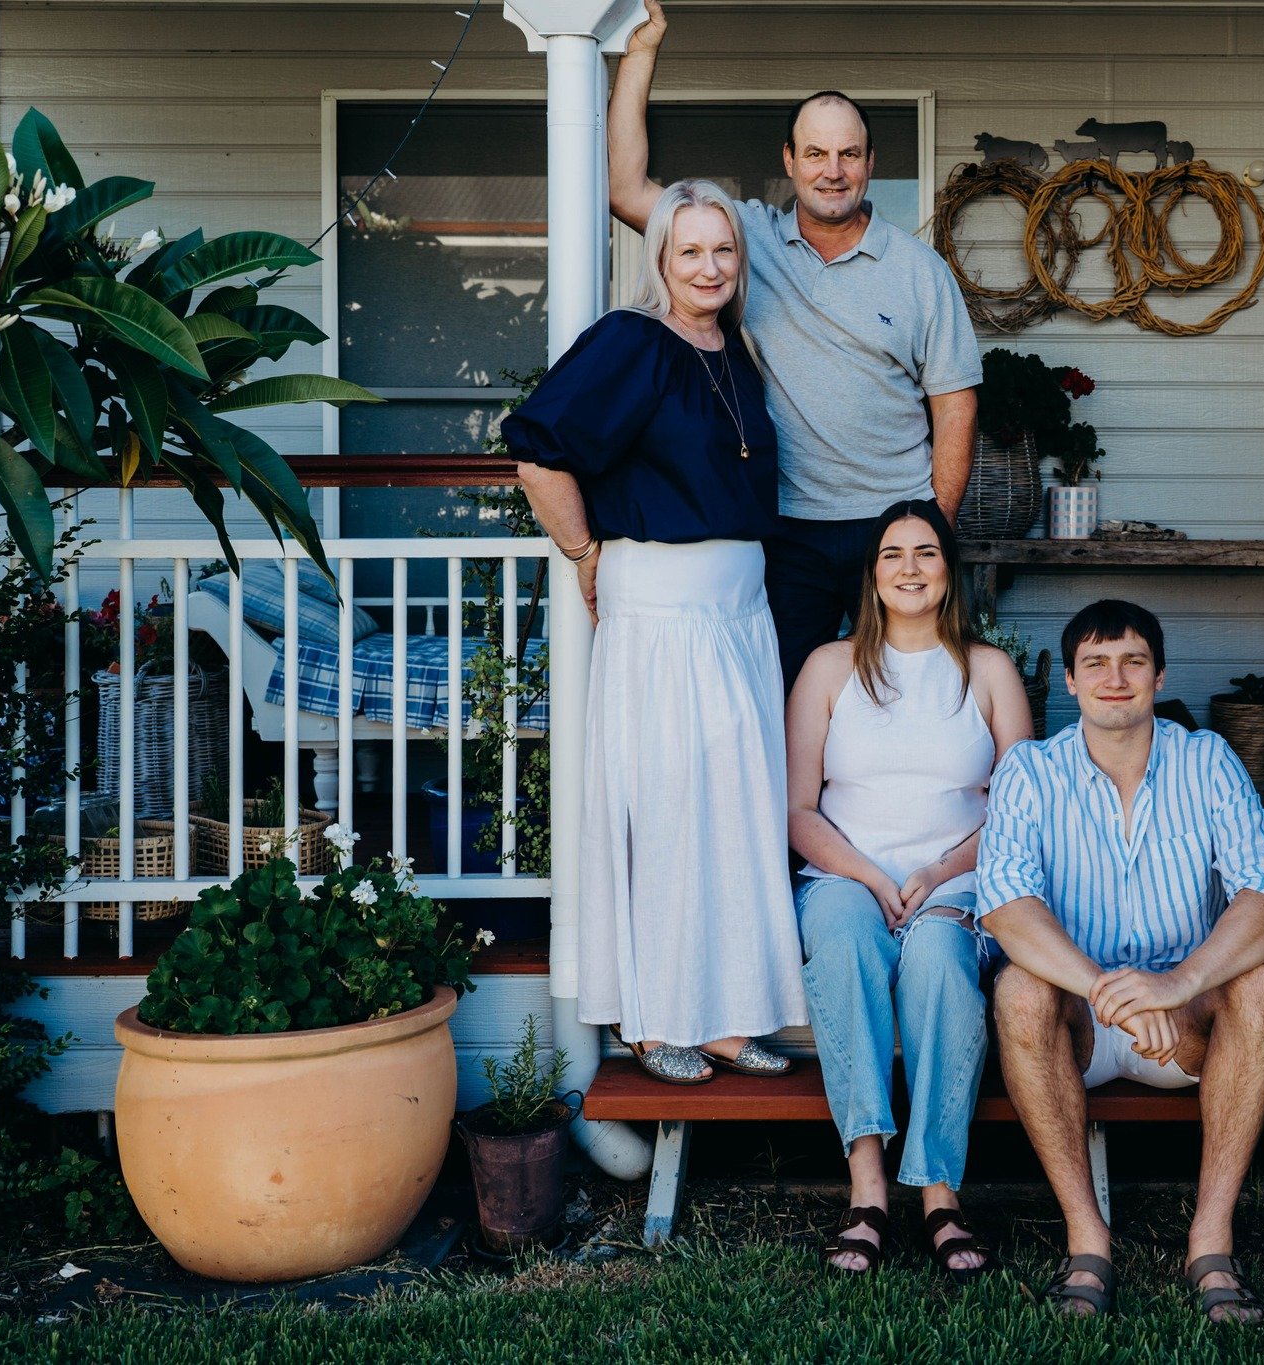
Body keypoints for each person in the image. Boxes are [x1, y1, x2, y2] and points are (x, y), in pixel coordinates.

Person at [507, 179, 806, 1085]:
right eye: (690, 252)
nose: (709, 267)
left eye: (724, 251)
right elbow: (538, 448)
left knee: (733, 815)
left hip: (737, 615)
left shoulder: (734, 348)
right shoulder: (632, 340)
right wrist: (583, 549)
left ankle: (720, 1016)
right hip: (666, 613)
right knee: (671, 813)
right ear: (661, 261)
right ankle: (652, 1018)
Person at [608, 1, 983, 686]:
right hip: (785, 527)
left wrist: (933, 528)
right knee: (777, 695)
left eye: (848, 153)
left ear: (870, 162)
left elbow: (954, 405)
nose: (832, 170)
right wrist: (641, 53)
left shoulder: (920, 272)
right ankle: (792, 801)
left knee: (914, 687)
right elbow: (626, 189)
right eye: (815, 153)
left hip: (892, 521)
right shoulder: (743, 243)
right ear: (790, 160)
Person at [976, 601, 1264, 1324]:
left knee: (1260, 979)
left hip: (1180, 1023)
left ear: (1158, 676)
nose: (1114, 678)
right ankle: (1087, 1239)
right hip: (1077, 1024)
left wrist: (1175, 984)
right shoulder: (1030, 770)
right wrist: (1109, 991)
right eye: (1096, 662)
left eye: (1132, 661)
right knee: (1019, 988)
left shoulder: (1206, 759)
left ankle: (1210, 1239)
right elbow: (1004, 906)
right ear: (1069, 680)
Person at [786, 501, 1033, 1280]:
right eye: (893, 554)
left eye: (927, 552)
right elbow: (797, 808)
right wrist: (869, 873)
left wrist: (935, 873)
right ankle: (867, 1187)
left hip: (956, 879)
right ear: (873, 574)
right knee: (848, 939)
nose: (910, 567)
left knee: (936, 961)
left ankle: (938, 1192)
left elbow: (1022, 810)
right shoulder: (830, 666)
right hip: (844, 874)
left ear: (948, 572)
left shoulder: (988, 670)